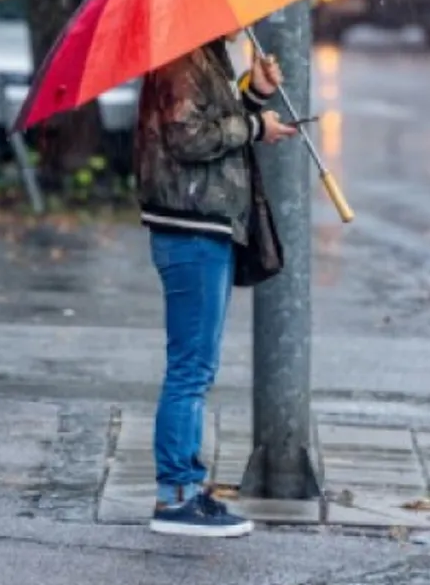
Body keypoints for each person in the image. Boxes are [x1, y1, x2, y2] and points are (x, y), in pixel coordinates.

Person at [134, 30, 297, 538]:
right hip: (190, 228)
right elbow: (189, 137)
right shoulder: (181, 57)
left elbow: (210, 121)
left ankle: (185, 489)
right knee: (191, 369)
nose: (243, 18)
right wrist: (253, 125)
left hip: (205, 224)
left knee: (196, 366)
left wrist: (255, 95)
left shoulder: (206, 56)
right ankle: (176, 497)